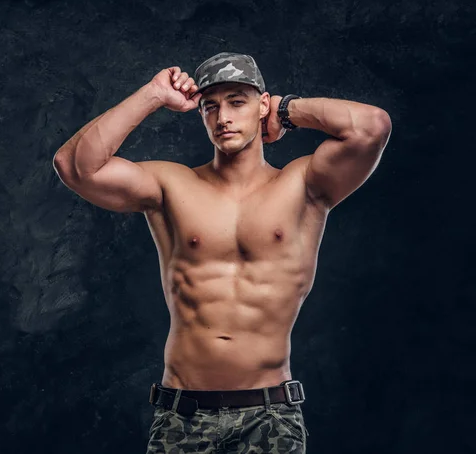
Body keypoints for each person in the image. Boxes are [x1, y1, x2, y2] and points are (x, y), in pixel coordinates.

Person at [52, 52, 392, 453]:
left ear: (260, 104)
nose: (223, 117)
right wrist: (153, 94)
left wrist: (286, 110)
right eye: (210, 106)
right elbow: (75, 166)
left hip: (270, 414)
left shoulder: (304, 184)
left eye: (237, 101)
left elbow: (372, 127)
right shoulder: (170, 185)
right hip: (183, 415)